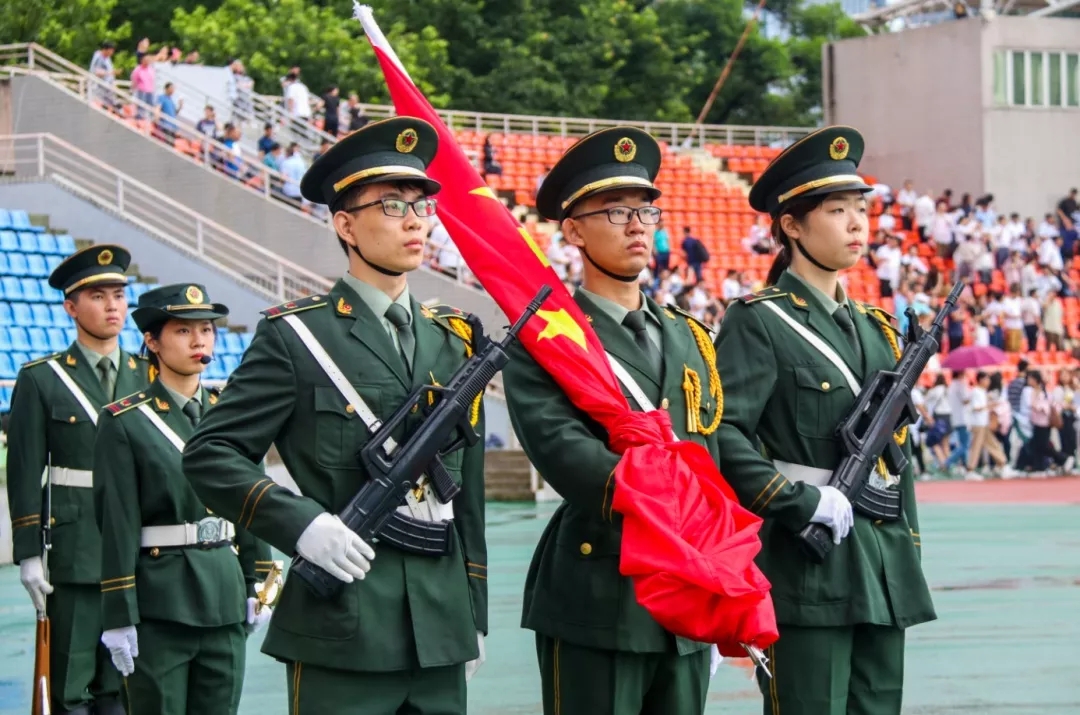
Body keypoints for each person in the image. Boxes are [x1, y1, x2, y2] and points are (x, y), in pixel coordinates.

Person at [181, 117, 487, 715]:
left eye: (422, 206)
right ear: (345, 224)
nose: (414, 220)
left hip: (439, 626)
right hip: (342, 625)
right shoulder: (297, 335)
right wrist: (300, 525)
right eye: (393, 204)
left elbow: (464, 487)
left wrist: (470, 610)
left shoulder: (453, 340)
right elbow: (211, 454)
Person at [712, 126, 937, 715]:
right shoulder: (758, 321)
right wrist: (794, 501)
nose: (858, 224)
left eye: (860, 209)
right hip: (805, 566)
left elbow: (896, 458)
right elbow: (724, 433)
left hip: (881, 564)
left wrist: (906, 552)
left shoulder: (878, 328)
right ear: (791, 225)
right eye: (837, 211)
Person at [503, 127, 718, 715]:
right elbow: (561, 451)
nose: (637, 225)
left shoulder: (688, 335)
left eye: (647, 210)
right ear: (572, 230)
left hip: (690, 591)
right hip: (601, 585)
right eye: (616, 211)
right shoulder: (546, 336)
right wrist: (661, 489)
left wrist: (721, 576)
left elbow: (711, 450)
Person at [94, 284, 273, 714]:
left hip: (225, 598)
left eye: (207, 330)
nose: (199, 341)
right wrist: (120, 612)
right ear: (152, 342)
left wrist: (260, 580)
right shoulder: (125, 422)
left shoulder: (232, 414)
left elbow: (253, 502)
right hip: (162, 605)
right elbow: (116, 523)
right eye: (183, 331)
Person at [5, 245, 150, 715]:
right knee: (70, 683)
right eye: (98, 296)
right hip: (76, 548)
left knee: (124, 684)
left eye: (119, 295)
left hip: (140, 548)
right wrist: (28, 552)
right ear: (70, 306)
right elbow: (25, 470)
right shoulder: (42, 379)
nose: (112, 306)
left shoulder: (148, 375)